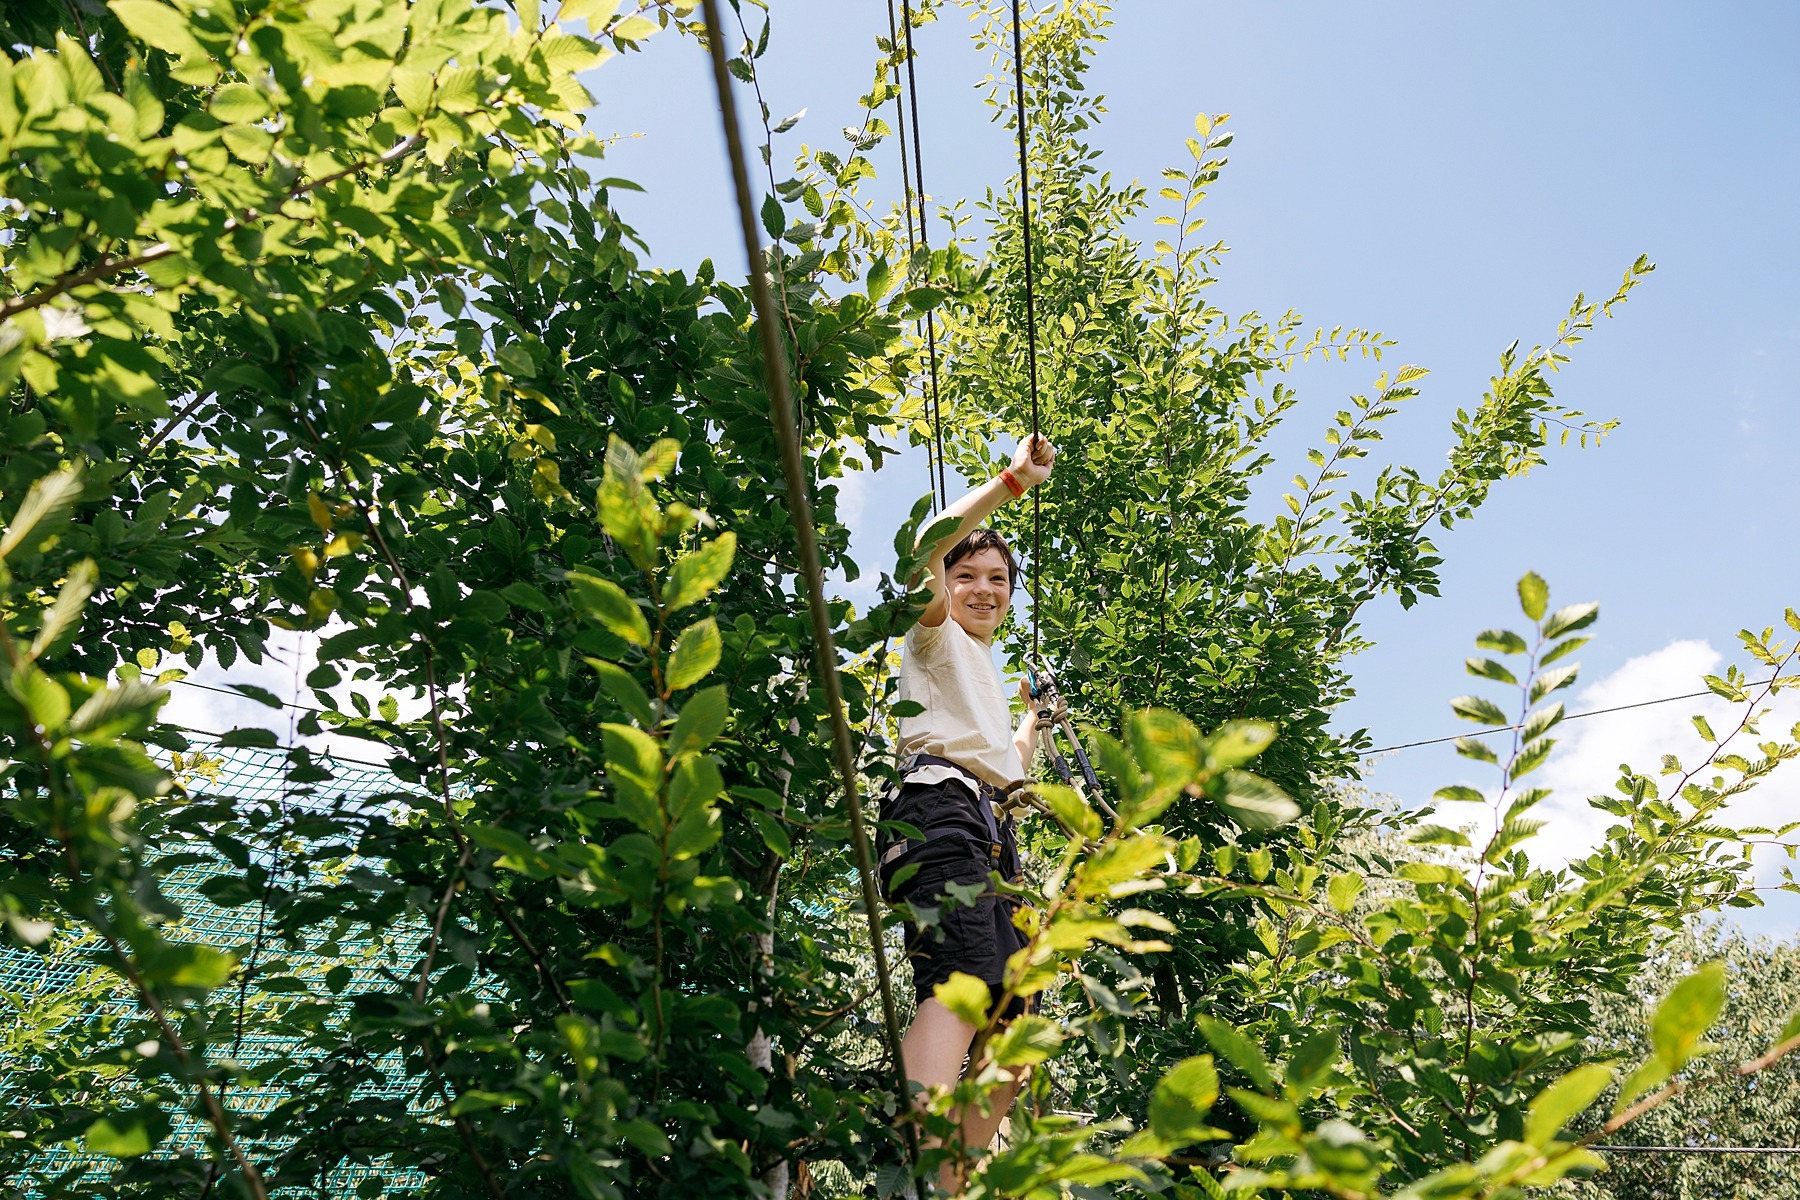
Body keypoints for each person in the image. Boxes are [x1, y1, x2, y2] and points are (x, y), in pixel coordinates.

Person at [879, 432, 1056, 1190]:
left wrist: (1034, 726)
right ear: (944, 583)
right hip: (938, 809)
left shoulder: (979, 666)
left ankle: (954, 1180)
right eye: (968, 574)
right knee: (963, 982)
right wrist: (1014, 481)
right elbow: (924, 541)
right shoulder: (932, 636)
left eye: (998, 579)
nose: (983, 589)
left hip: (990, 826)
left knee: (1017, 1025)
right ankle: (921, 1166)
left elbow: (1006, 769)